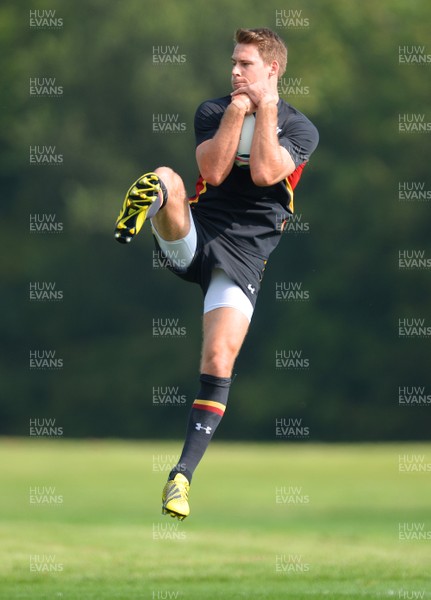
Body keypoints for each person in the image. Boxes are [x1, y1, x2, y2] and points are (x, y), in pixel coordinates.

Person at [114, 27, 319, 520]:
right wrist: (236, 109)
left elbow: (269, 173)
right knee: (168, 177)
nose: (234, 71)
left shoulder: (300, 128)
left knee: (219, 357)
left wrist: (263, 108)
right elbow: (217, 169)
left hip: (245, 258)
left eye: (245, 65)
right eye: (233, 62)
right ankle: (147, 206)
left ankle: (180, 478)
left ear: (271, 70)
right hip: (197, 237)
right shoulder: (211, 111)